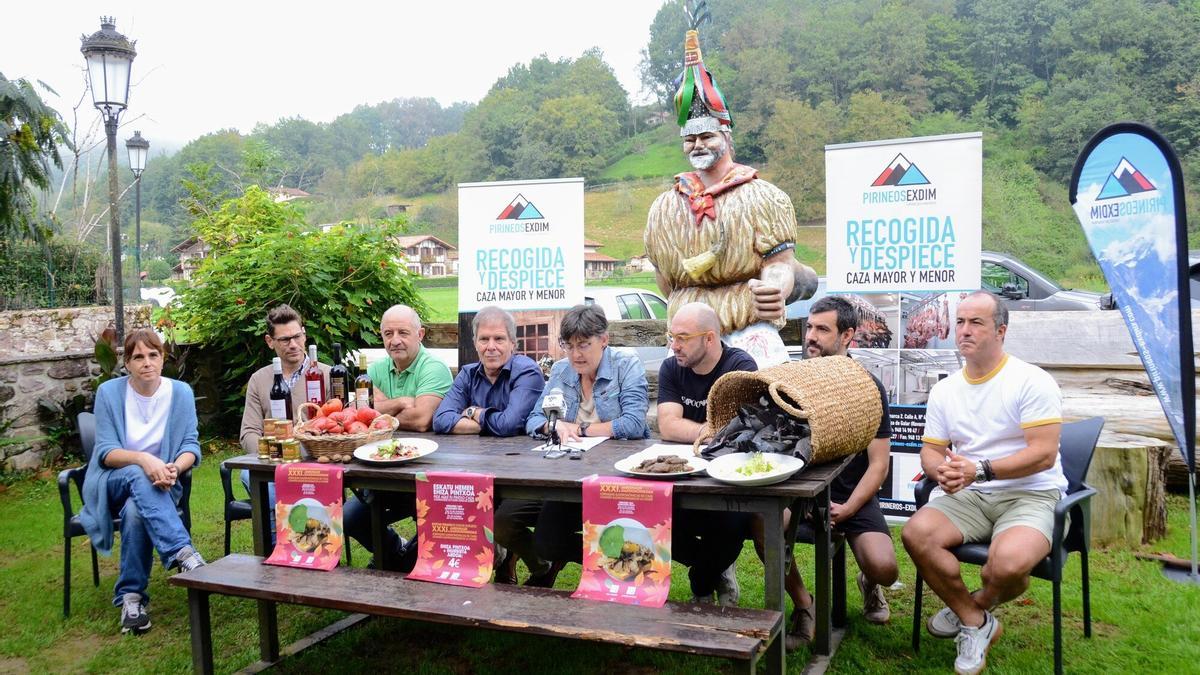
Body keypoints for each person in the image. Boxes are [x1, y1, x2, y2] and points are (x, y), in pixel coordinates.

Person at [901, 291, 1065, 675]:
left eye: (976, 322)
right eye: (959, 322)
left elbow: (1043, 453)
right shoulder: (945, 390)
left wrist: (982, 470)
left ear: (1001, 330)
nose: (964, 330)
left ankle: (975, 603)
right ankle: (975, 621)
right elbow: (930, 451)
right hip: (970, 495)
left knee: (1006, 567)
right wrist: (938, 470)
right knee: (916, 534)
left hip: (1031, 493)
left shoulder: (1031, 381)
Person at [643, 24, 815, 367]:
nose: (698, 145)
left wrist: (774, 290)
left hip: (746, 325)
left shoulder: (763, 197)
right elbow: (665, 279)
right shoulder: (665, 207)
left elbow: (779, 264)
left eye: (706, 135)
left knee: (756, 405)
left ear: (725, 135)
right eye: (690, 140)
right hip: (688, 336)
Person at [784, 296, 898, 649]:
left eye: (822, 329)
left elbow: (879, 464)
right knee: (764, 526)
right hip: (802, 495)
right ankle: (805, 605)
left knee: (885, 568)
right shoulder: (791, 381)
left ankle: (870, 583)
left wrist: (849, 509)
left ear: (848, 336)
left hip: (854, 496)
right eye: (810, 328)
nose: (810, 337)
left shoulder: (868, 388)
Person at [80, 329, 206, 634]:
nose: (146, 362)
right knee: (138, 475)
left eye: (153, 355)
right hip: (113, 481)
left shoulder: (181, 393)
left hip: (162, 484)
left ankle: (131, 599)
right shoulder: (110, 393)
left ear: (163, 359)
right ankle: (182, 551)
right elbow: (106, 453)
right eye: (138, 356)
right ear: (127, 362)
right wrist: (144, 460)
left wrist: (174, 467)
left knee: (136, 511)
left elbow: (191, 445)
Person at [514, 304, 649, 587]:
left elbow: (634, 424)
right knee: (545, 543)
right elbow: (534, 419)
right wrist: (555, 425)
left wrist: (581, 429)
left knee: (622, 531)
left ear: (604, 340)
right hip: (568, 473)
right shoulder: (562, 370)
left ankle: (623, 568)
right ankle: (617, 558)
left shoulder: (626, 364)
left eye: (584, 345)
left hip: (619, 473)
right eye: (569, 345)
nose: (576, 354)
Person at [656, 302, 757, 605]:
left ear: (709, 338)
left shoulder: (740, 367)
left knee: (732, 521)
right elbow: (667, 426)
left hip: (729, 475)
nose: (674, 346)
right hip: (682, 472)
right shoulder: (672, 367)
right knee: (656, 517)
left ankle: (701, 582)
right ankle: (714, 569)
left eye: (683, 338)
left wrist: (701, 431)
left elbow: (739, 432)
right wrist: (707, 431)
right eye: (671, 336)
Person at [343, 305, 453, 570]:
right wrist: (403, 402)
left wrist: (380, 406)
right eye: (388, 333)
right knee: (349, 518)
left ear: (420, 334)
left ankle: (405, 560)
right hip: (381, 473)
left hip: (428, 477)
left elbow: (421, 421)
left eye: (403, 333)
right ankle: (394, 550)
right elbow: (356, 414)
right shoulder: (376, 369)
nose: (395, 340)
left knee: (431, 524)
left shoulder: (434, 368)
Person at [238, 304, 330, 538]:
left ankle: (293, 545)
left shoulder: (325, 375)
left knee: (282, 487)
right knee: (256, 479)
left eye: (297, 337)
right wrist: (272, 456)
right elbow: (248, 431)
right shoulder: (260, 380)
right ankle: (294, 543)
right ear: (270, 342)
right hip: (271, 462)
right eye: (285, 339)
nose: (293, 344)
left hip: (314, 461)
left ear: (304, 335)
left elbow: (337, 426)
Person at [432, 306, 544, 436]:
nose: (491, 347)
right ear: (475, 344)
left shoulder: (527, 372)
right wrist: (493, 425)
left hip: (516, 454)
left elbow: (509, 424)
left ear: (512, 343)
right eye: (484, 339)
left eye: (498, 339)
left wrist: (474, 412)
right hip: (475, 454)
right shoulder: (467, 374)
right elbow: (440, 420)